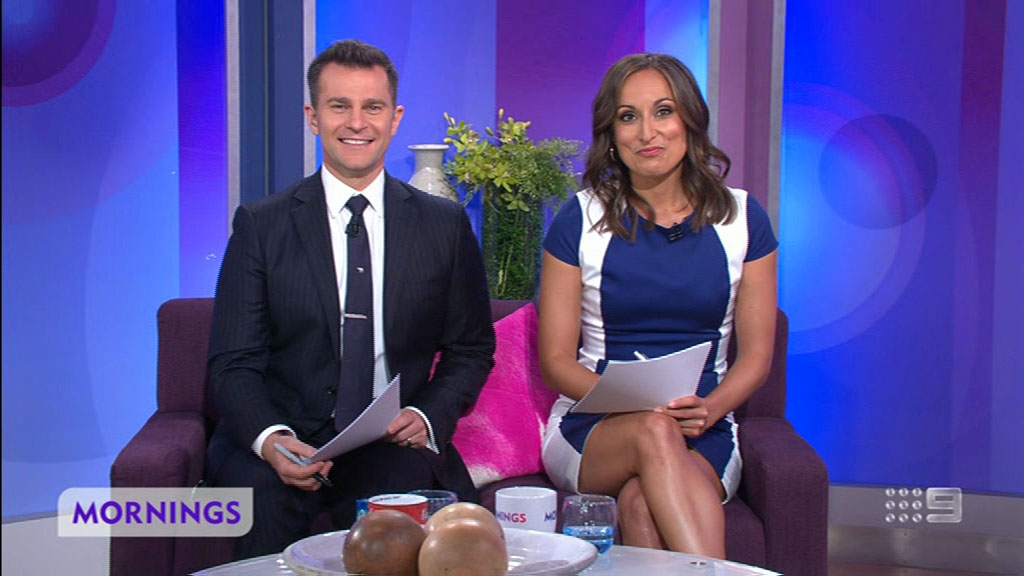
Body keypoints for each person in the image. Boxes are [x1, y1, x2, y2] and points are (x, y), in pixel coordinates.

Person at [206, 40, 495, 559]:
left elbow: (471, 348)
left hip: (387, 441)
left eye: (373, 107)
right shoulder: (262, 226)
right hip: (284, 434)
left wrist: (428, 414)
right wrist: (270, 438)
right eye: (340, 106)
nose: (356, 123)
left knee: (404, 521)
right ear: (313, 118)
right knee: (263, 506)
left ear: (395, 119)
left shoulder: (444, 225)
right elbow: (233, 361)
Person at [538, 53, 778, 558]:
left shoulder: (742, 217)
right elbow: (556, 362)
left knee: (642, 503)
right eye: (628, 116)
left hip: (703, 425)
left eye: (663, 111)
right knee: (652, 429)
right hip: (594, 425)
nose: (647, 132)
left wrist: (710, 409)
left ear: (689, 119)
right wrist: (641, 403)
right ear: (611, 132)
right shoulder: (580, 218)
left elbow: (756, 356)